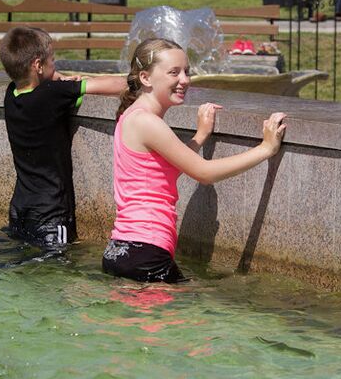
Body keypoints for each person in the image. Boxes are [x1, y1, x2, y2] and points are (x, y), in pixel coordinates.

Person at [102, 38, 286, 283]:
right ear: (145, 78)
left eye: (186, 71)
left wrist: (199, 137)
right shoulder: (147, 122)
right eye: (173, 72)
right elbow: (204, 173)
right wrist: (265, 148)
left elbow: (162, 171)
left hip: (121, 251)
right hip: (146, 252)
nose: (185, 80)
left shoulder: (131, 116)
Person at [0, 26, 126, 251]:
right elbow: (118, 85)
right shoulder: (53, 95)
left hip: (20, 209)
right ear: (37, 65)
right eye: (53, 61)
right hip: (51, 214)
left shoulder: (11, 94)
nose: (56, 67)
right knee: (58, 270)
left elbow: (41, 81)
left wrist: (59, 79)